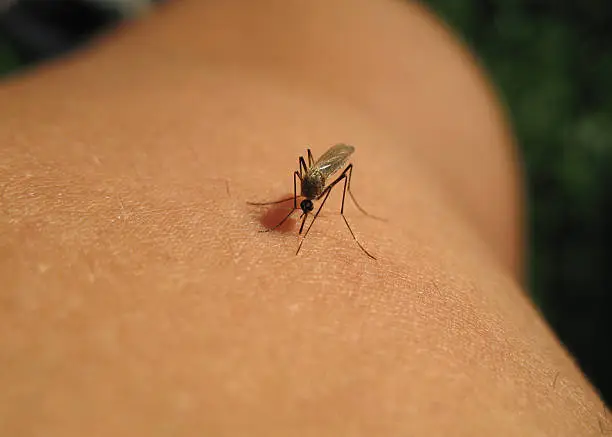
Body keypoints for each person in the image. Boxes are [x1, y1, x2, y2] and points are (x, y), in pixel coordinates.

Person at [0, 1, 606, 435]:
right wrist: (288, 203)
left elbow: (327, 171)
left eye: (306, 203)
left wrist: (319, 205)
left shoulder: (326, 177)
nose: (302, 206)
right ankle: (111, 28)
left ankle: (110, 29)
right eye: (305, 201)